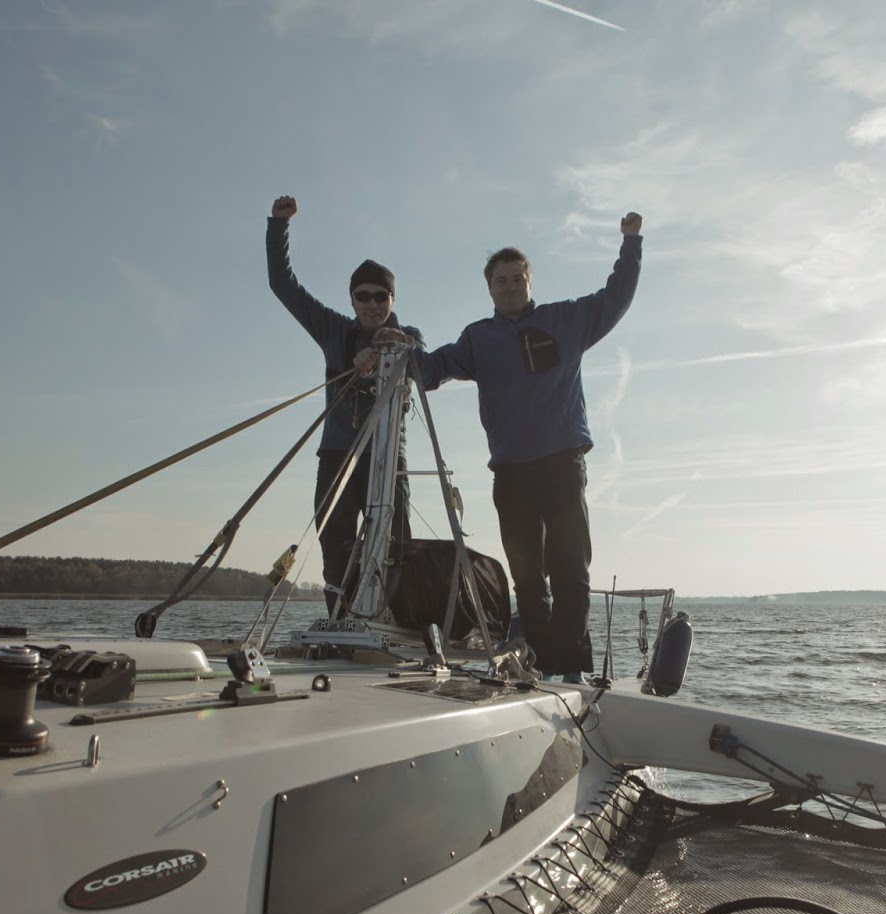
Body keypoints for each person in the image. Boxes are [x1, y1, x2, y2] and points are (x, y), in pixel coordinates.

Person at [404, 212, 643, 682]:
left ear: (529, 281)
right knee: (528, 578)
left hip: (562, 464)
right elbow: (429, 372)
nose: (510, 287)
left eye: (517, 279)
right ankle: (542, 665)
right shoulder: (478, 338)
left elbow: (617, 297)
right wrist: (406, 340)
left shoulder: (566, 319)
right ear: (489, 288)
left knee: (570, 570)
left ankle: (573, 669)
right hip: (511, 473)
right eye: (500, 281)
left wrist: (631, 243)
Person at [266, 194, 423, 614]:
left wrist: (393, 346)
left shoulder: (409, 335)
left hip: (389, 459)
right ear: (352, 299)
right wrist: (279, 226)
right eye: (363, 296)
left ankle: (392, 618)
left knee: (396, 541)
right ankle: (339, 617)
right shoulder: (333, 329)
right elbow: (284, 286)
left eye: (381, 296)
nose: (372, 304)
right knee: (334, 537)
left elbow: (420, 361)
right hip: (338, 454)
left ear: (393, 300)